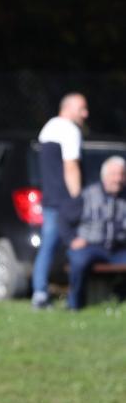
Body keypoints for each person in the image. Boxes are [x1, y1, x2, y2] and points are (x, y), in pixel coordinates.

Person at [33, 93, 89, 309]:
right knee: (75, 247)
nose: (85, 114)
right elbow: (71, 166)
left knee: (47, 247)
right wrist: (77, 199)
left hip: (50, 199)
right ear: (68, 108)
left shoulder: (48, 128)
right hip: (66, 201)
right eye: (82, 109)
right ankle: (75, 296)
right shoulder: (70, 130)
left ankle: (40, 292)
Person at [59, 156, 126, 310]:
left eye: (122, 175)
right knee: (78, 260)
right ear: (104, 176)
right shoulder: (88, 195)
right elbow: (63, 218)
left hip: (119, 248)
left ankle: (121, 297)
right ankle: (74, 304)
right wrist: (71, 240)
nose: (118, 179)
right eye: (114, 174)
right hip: (92, 246)